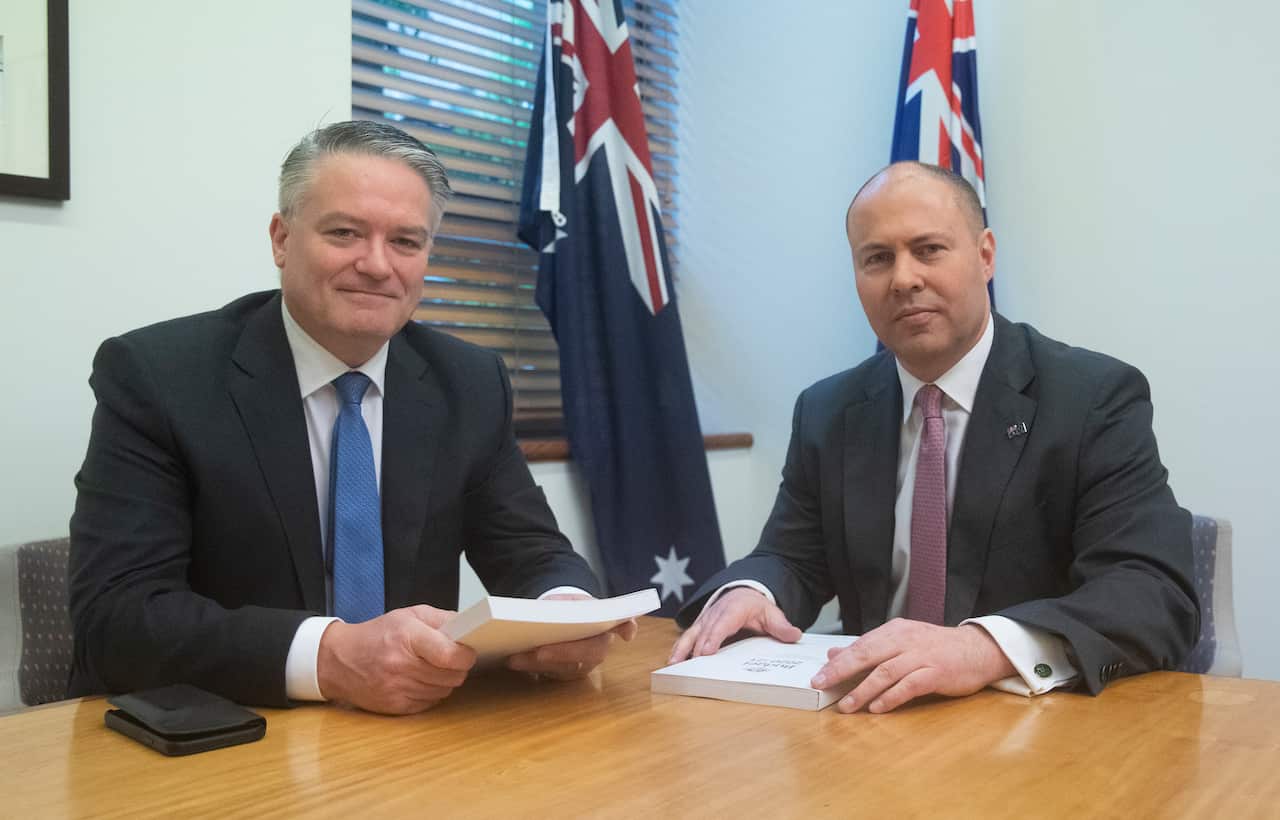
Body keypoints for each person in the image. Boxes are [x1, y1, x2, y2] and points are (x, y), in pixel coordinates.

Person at [68, 120, 634, 715]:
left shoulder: (467, 382)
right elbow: (116, 618)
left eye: (406, 242)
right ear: (281, 239)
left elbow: (531, 551)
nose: (376, 264)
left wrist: (566, 609)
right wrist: (331, 656)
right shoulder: (157, 377)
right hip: (221, 737)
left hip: (409, 744)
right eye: (344, 232)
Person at [670, 161, 1199, 713]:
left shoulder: (1092, 397)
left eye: (928, 249)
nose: (903, 279)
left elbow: (1152, 590)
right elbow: (793, 556)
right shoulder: (828, 411)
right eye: (877, 258)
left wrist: (982, 648)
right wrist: (751, 591)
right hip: (871, 724)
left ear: (985, 255)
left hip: (1035, 721)